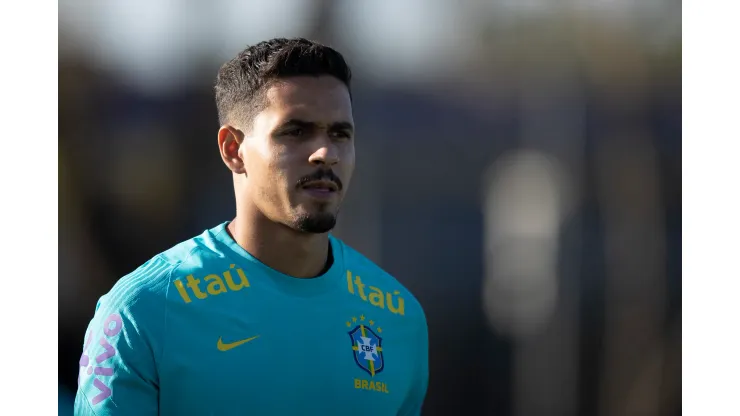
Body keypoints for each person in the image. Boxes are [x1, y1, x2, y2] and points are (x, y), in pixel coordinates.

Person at [74, 37, 429, 415]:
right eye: (296, 131)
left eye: (340, 133)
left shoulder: (397, 317)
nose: (325, 152)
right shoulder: (143, 310)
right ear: (233, 149)